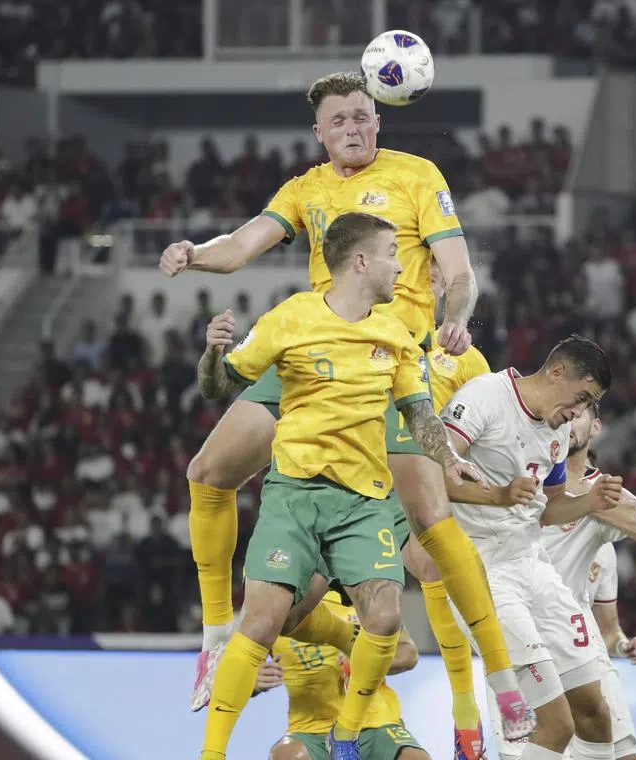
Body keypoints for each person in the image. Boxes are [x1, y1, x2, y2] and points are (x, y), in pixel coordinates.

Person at [159, 71, 530, 745]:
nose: (353, 128)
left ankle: (491, 691)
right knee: (208, 472)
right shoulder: (307, 189)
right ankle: (217, 638)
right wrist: (194, 255)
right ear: (321, 132)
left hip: (392, 360)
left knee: (432, 530)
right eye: (340, 121)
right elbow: (243, 244)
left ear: (379, 119)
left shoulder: (418, 176)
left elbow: (459, 272)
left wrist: (456, 319)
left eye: (363, 116)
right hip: (312, 351)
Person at [193, 211, 484, 760]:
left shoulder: (395, 333)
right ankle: (212, 755)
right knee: (259, 622)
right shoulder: (291, 319)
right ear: (360, 262)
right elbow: (219, 386)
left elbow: (418, 412)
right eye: (393, 255)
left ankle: (349, 736)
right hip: (295, 495)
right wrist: (211, 353)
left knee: (386, 616)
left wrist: (446, 458)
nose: (402, 267)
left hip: (363, 502)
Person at [438, 336, 626, 760]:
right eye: (581, 397)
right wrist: (498, 497)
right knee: (554, 723)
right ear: (557, 372)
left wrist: (589, 502)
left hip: (534, 567)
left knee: (595, 712)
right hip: (485, 573)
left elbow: (549, 507)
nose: (579, 413)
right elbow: (435, 473)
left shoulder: (556, 431)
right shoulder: (486, 396)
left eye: (589, 404)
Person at [491, 404, 636, 760]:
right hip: (516, 636)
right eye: (566, 410)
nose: (568, 419)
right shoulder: (519, 475)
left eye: (580, 413)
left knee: (624, 753)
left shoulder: (603, 494)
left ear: (596, 427)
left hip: (577, 640)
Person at [261, 592, 431, 760]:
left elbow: (408, 654)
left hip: (376, 724)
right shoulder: (279, 605)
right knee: (286, 756)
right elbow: (244, 659)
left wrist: (365, 661)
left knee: (414, 757)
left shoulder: (366, 593)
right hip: (312, 731)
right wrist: (252, 680)